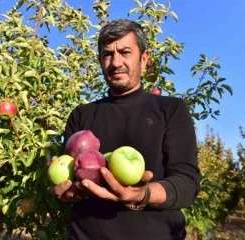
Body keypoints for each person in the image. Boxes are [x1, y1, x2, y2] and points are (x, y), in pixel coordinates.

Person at [51, 19, 200, 240]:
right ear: (100, 60)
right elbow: (72, 180)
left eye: (125, 52)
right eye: (107, 54)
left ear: (144, 59)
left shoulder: (171, 110)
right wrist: (64, 191)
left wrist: (141, 194)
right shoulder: (81, 115)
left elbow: (187, 183)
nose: (115, 62)